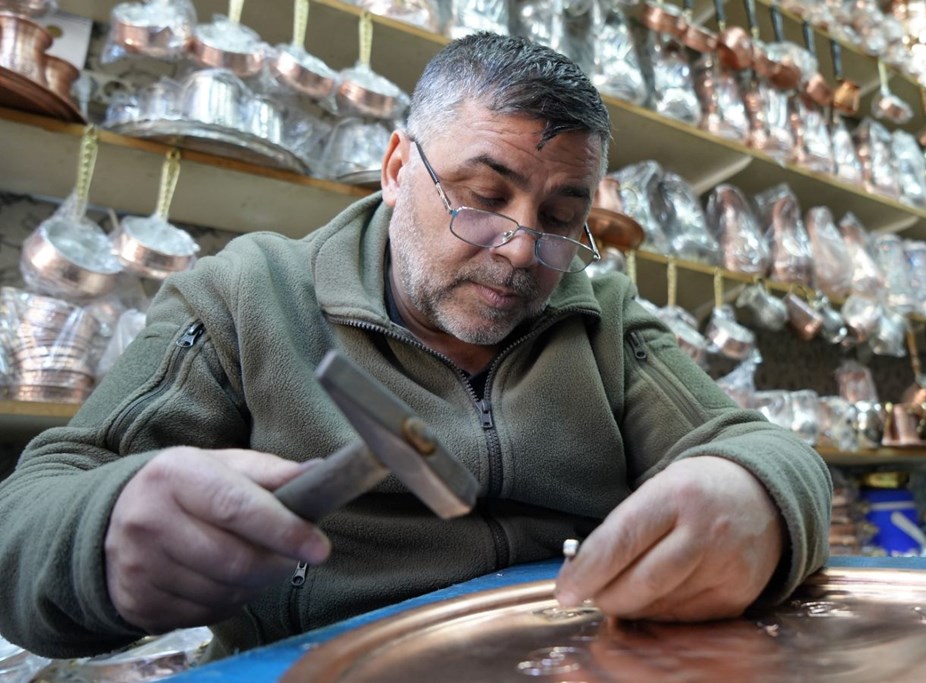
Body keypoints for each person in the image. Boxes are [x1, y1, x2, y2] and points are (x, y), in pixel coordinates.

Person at [0, 32, 831, 660]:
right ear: (397, 167)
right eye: (481, 195)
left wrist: (754, 495)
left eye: (560, 218)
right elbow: (30, 510)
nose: (518, 249)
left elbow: (755, 446)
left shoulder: (602, 313)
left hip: (580, 657)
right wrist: (100, 533)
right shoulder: (245, 294)